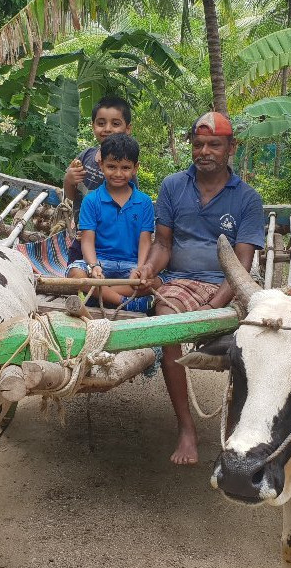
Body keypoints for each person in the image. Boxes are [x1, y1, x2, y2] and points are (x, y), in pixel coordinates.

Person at [134, 112, 265, 465]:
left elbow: (241, 267)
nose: (204, 151)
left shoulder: (248, 199)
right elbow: (162, 245)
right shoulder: (173, 186)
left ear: (230, 149)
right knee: (164, 316)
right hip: (182, 283)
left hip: (230, 284)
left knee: (257, 338)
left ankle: (239, 428)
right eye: (198, 144)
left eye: (214, 145)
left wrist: (215, 308)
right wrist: (148, 268)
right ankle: (186, 428)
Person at [66, 133, 157, 312]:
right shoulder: (91, 201)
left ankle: (98, 293)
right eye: (111, 167)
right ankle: (124, 300)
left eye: (125, 168)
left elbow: (145, 240)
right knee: (75, 273)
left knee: (155, 281)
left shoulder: (144, 202)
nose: (118, 173)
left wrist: (139, 269)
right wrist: (94, 266)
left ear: (135, 168)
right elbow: (87, 240)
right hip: (100, 262)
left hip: (130, 265)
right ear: (101, 165)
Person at [63, 96, 134, 262]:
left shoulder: (126, 165)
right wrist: (69, 179)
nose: (107, 129)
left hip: (112, 240)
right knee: (75, 273)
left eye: (115, 124)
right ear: (93, 126)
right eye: (101, 123)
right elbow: (72, 196)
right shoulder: (85, 156)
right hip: (82, 237)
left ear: (128, 128)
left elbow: (128, 206)